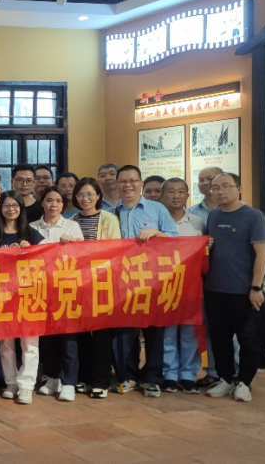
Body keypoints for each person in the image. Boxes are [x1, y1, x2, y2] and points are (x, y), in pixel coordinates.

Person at [112, 165, 178, 398]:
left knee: (154, 331)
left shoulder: (157, 209)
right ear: (117, 185)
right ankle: (128, 376)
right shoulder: (111, 213)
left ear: (141, 183)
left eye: (132, 180)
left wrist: (157, 233)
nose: (127, 185)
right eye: (123, 181)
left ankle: (152, 378)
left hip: (152, 279)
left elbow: (175, 240)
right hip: (122, 281)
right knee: (125, 332)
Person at [203, 173, 265, 402]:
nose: (220, 191)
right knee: (219, 339)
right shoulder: (213, 215)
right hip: (214, 289)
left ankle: (244, 382)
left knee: (248, 339)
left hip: (243, 291)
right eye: (215, 187)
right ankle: (226, 378)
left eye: (226, 186)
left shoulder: (254, 217)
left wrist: (256, 287)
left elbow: (262, 254)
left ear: (239, 188)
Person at [0, 191, 44, 405]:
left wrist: (30, 251)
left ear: (21, 208)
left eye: (15, 205)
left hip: (28, 295)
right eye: (6, 205)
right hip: (2, 296)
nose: (11, 209)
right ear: (0, 209)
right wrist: (5, 253)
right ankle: (11, 383)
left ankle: (26, 386)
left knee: (29, 343)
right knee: (5, 342)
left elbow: (46, 261)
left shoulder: (32, 234)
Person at [29, 188, 84, 402]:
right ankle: (51, 378)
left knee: (68, 337)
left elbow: (83, 256)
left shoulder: (72, 226)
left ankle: (68, 382)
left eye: (58, 201)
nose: (54, 205)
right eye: (49, 200)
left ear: (63, 205)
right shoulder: (32, 227)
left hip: (66, 288)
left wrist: (74, 242)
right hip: (41, 288)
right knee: (47, 337)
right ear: (42, 203)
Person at [70, 177, 122, 399]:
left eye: (90, 194)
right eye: (81, 194)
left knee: (101, 334)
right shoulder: (71, 221)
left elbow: (114, 250)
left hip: (102, 282)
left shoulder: (109, 219)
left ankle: (100, 381)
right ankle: (84, 377)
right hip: (78, 284)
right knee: (81, 333)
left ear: (98, 196)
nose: (85, 199)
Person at [159, 177, 205, 394]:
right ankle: (169, 374)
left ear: (187, 195)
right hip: (164, 285)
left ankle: (188, 375)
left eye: (180, 191)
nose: (176, 196)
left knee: (189, 331)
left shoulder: (198, 223)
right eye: (171, 191)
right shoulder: (156, 221)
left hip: (191, 285)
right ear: (162, 196)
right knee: (167, 331)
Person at [188, 165, 225, 387]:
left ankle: (233, 371)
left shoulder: (236, 210)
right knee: (205, 325)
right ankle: (212, 371)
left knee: (228, 328)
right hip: (199, 278)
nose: (205, 183)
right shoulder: (192, 214)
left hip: (227, 277)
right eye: (201, 179)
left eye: (209, 179)